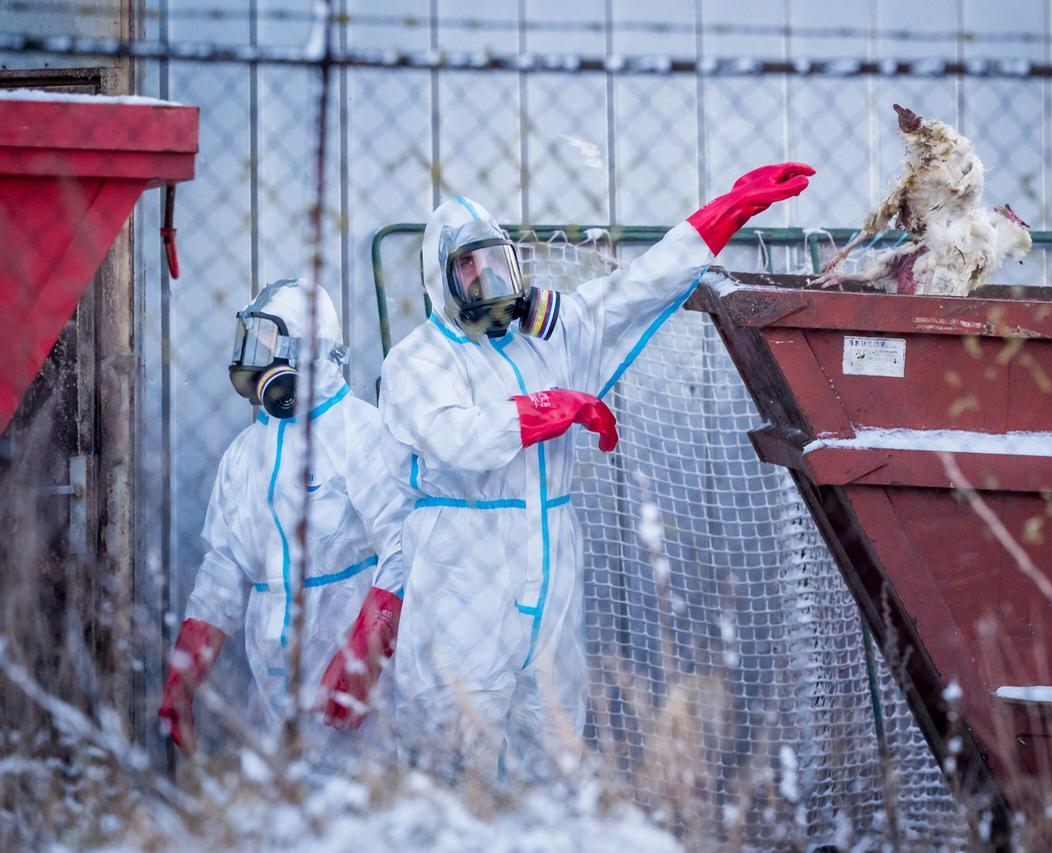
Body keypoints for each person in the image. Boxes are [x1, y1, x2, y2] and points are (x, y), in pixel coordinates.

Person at [380, 163, 814, 776]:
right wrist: (550, 406)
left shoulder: (546, 337)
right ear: (441, 279)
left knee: (553, 741)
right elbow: (457, 440)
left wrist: (726, 213)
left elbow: (636, 288)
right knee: (451, 749)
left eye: (496, 261)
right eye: (468, 267)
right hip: (461, 573)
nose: (487, 277)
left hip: (550, 563)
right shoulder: (418, 360)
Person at [158, 278, 412, 762]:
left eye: (267, 343)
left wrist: (364, 654)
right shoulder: (246, 453)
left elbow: (404, 546)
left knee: (354, 796)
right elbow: (224, 568)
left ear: (309, 350)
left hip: (349, 678)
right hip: (271, 688)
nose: (254, 360)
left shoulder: (362, 434)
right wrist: (184, 674)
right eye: (250, 343)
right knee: (279, 795)